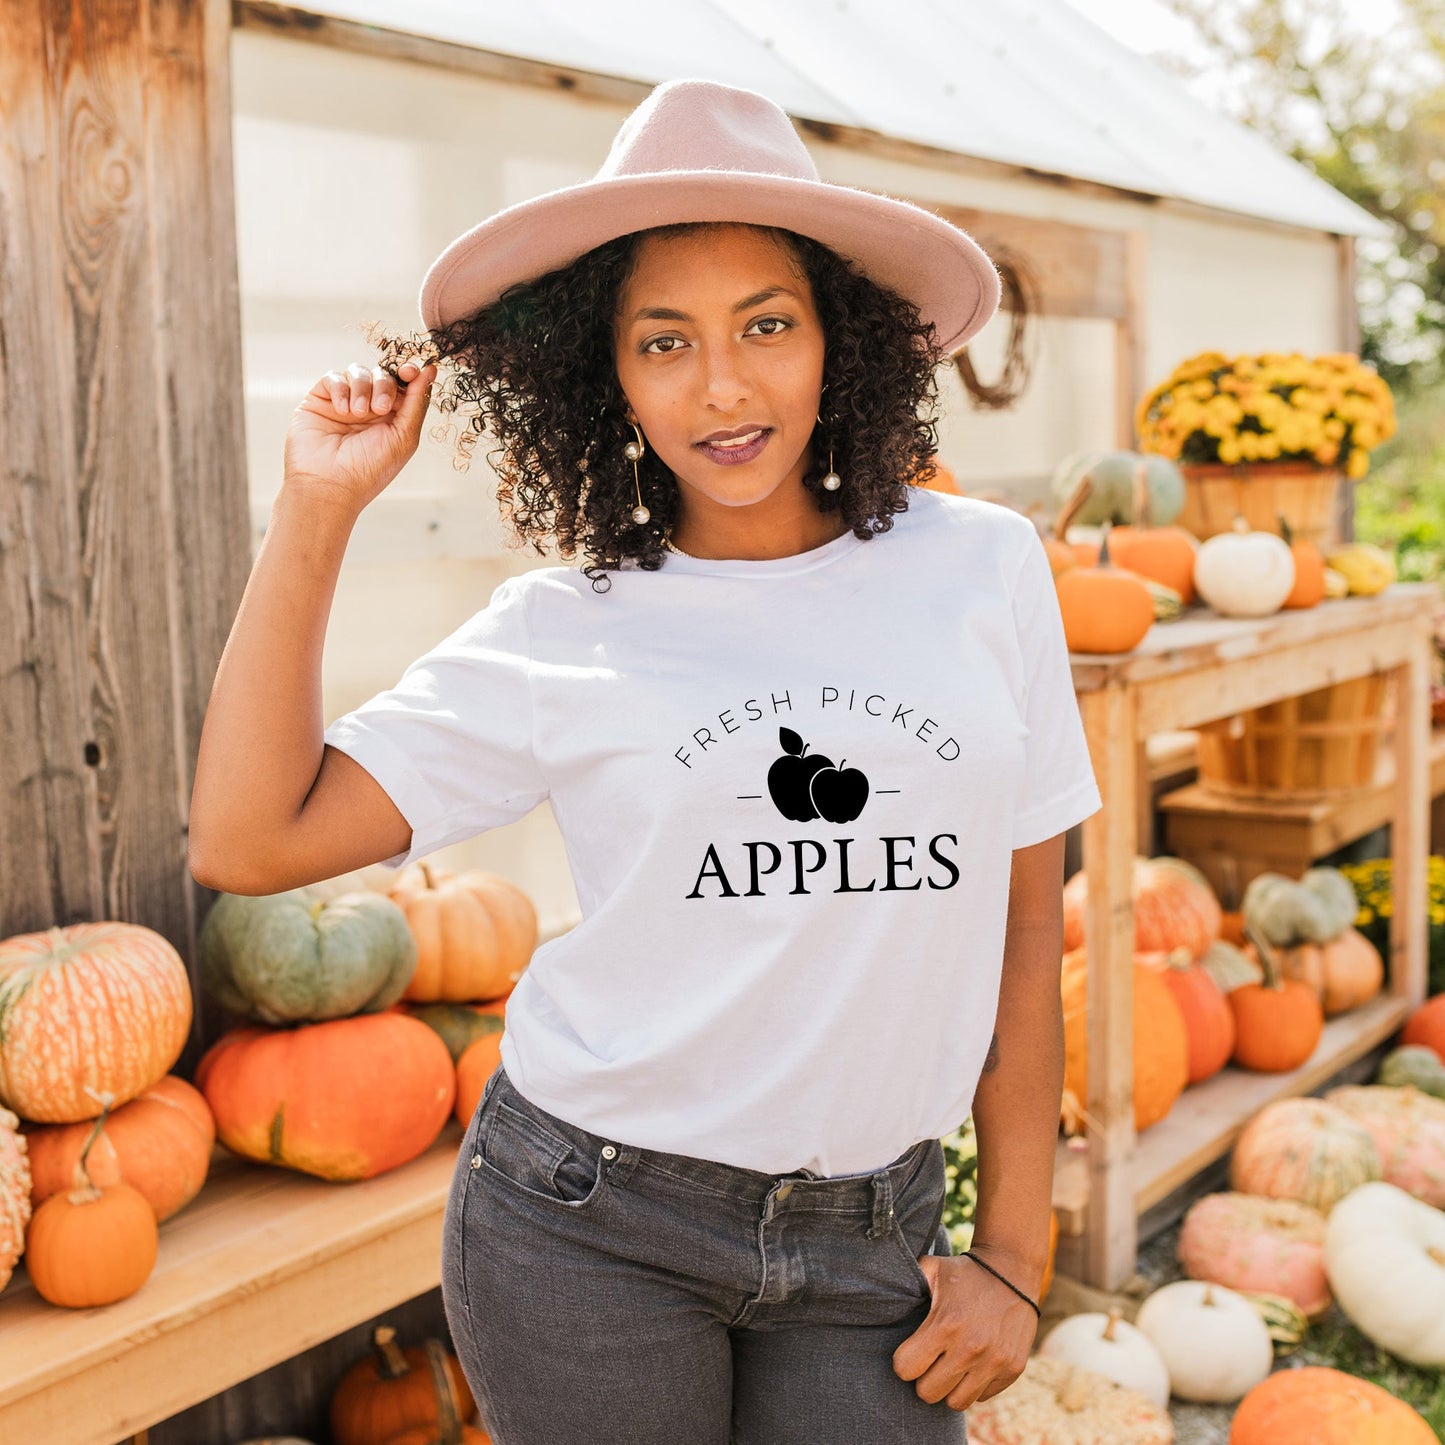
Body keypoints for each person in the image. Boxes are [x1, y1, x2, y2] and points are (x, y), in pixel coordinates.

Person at [190, 78, 1100, 1444]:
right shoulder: (565, 627)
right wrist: (317, 508)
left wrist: (1014, 1254)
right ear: (600, 374)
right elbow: (247, 839)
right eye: (661, 341)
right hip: (586, 1223)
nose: (721, 386)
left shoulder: (980, 567)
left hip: (870, 1238)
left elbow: (1028, 931)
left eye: (767, 325)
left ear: (839, 339)